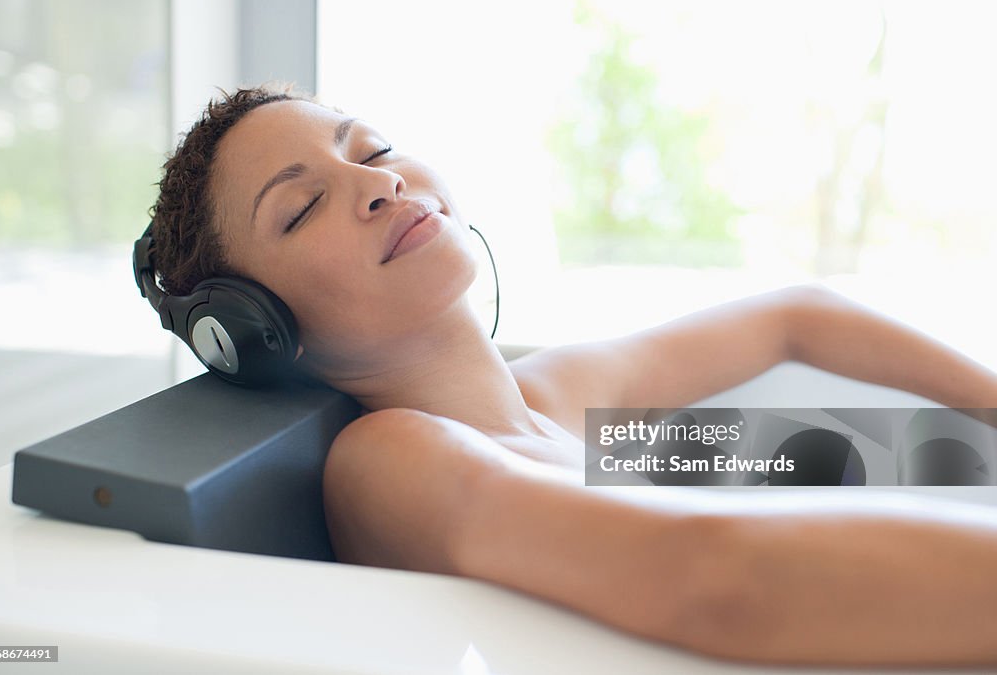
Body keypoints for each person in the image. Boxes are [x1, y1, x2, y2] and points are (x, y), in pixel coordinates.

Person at [147, 85, 997, 667]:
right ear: (257, 330)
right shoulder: (390, 458)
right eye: (301, 209)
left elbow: (796, 319)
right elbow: (725, 581)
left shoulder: (556, 407)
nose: (379, 182)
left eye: (373, 149)